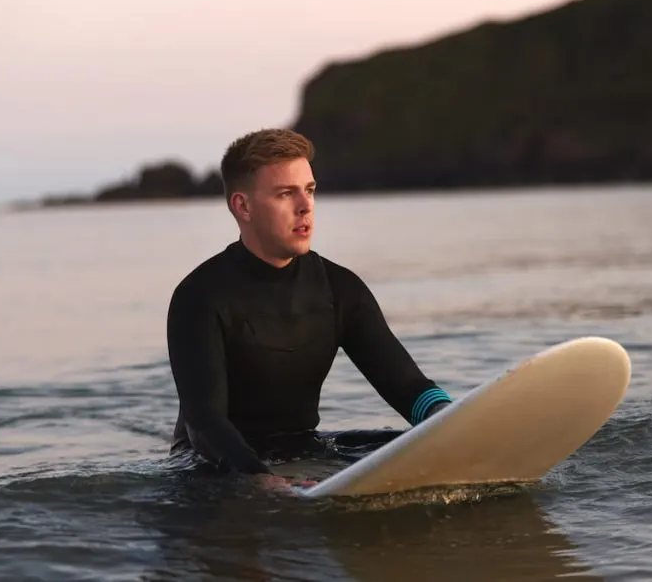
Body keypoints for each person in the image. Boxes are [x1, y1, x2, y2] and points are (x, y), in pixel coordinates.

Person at [165, 127, 452, 486]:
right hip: (212, 463)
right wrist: (259, 479)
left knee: (415, 447)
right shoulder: (200, 296)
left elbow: (406, 385)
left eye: (310, 190)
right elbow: (204, 422)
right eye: (286, 194)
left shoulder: (339, 288)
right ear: (243, 206)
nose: (305, 206)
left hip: (302, 449)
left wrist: (450, 422)